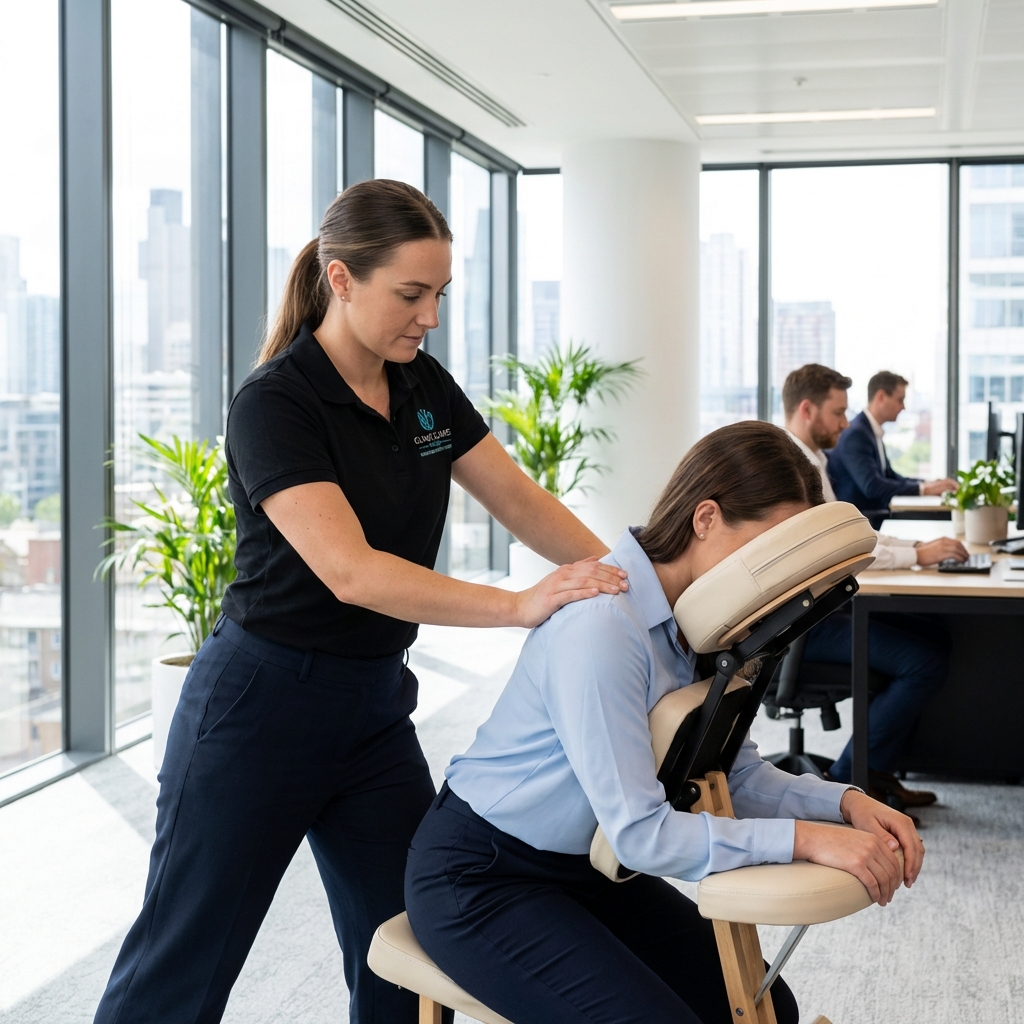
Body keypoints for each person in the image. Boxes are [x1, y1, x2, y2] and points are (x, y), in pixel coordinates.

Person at [93, 180, 631, 1024]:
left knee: (414, 950)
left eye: (439, 295)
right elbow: (352, 571)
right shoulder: (276, 403)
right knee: (185, 961)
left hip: (372, 710)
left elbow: (519, 500)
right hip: (259, 708)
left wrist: (624, 585)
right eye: (411, 295)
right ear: (340, 280)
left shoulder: (421, 386)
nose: (431, 317)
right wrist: (522, 605)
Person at [405, 421, 924, 1024]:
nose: (774, 581)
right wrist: (807, 840)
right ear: (705, 519)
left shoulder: (701, 625)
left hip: (586, 873)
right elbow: (642, 834)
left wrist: (845, 804)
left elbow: (739, 776)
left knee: (766, 1008)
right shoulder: (603, 623)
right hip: (482, 877)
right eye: (766, 550)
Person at [783, 363, 962, 810]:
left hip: (824, 606)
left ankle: (877, 771)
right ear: (807, 409)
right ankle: (847, 784)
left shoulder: (813, 461)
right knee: (923, 662)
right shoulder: (790, 470)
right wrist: (918, 555)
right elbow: (836, 549)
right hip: (806, 623)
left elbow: (852, 532)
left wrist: (918, 546)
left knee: (934, 633)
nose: (847, 423)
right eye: (839, 413)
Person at [829, 370, 957, 525]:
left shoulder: (869, 430)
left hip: (872, 518)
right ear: (881, 397)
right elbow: (873, 486)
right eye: (900, 400)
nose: (903, 407)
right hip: (862, 523)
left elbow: (889, 476)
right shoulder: (856, 434)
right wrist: (925, 489)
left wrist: (927, 484)